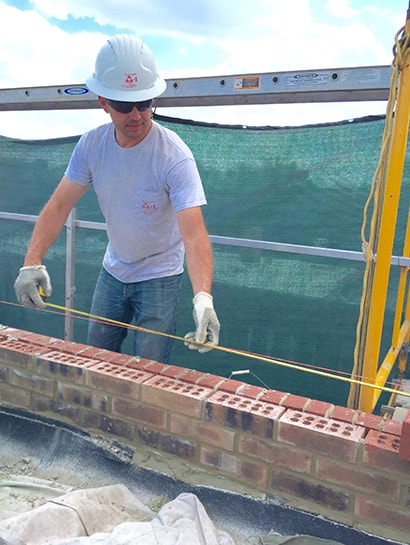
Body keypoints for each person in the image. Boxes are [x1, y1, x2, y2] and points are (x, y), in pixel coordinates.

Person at [14, 34, 220, 363]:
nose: (137, 114)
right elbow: (58, 207)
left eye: (146, 103)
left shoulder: (174, 156)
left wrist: (203, 298)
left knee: (148, 370)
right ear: (104, 102)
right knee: (95, 357)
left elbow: (194, 234)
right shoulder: (92, 146)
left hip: (160, 277)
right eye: (125, 105)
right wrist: (31, 263)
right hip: (113, 271)